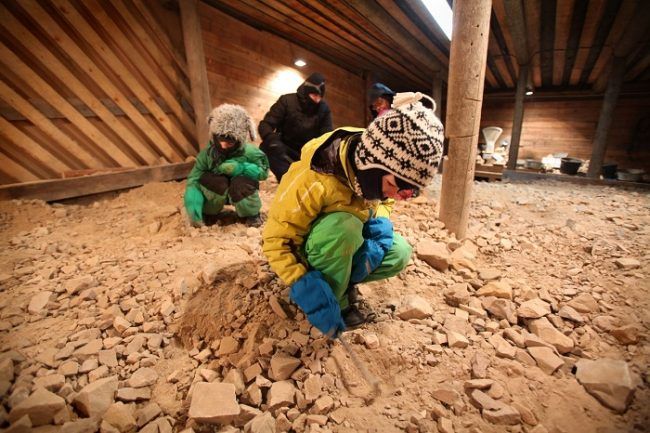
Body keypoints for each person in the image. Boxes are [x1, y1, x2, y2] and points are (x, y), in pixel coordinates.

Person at [262, 92, 444, 337]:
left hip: (341, 241)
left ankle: (342, 280)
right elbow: (277, 241)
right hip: (311, 248)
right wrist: (302, 284)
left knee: (399, 251)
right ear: (373, 165)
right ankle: (333, 299)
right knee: (344, 227)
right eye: (392, 185)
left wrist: (379, 218)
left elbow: (384, 201)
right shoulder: (315, 178)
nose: (392, 195)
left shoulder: (377, 162)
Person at [184, 104, 269, 227]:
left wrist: (242, 168)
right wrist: (193, 198)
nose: (223, 146)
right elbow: (194, 178)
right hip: (218, 191)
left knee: (242, 183)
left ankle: (251, 214)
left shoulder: (251, 153)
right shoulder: (207, 154)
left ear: (239, 139)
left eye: (230, 142)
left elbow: (263, 172)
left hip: (239, 190)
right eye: (220, 140)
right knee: (210, 180)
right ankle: (209, 212)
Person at [258, 72, 333, 181]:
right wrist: (271, 139)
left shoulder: (324, 109)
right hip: (284, 148)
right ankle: (286, 179)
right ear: (307, 92)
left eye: (320, 97)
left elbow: (327, 134)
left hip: (307, 153)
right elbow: (266, 124)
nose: (317, 100)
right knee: (268, 146)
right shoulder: (287, 101)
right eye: (314, 95)